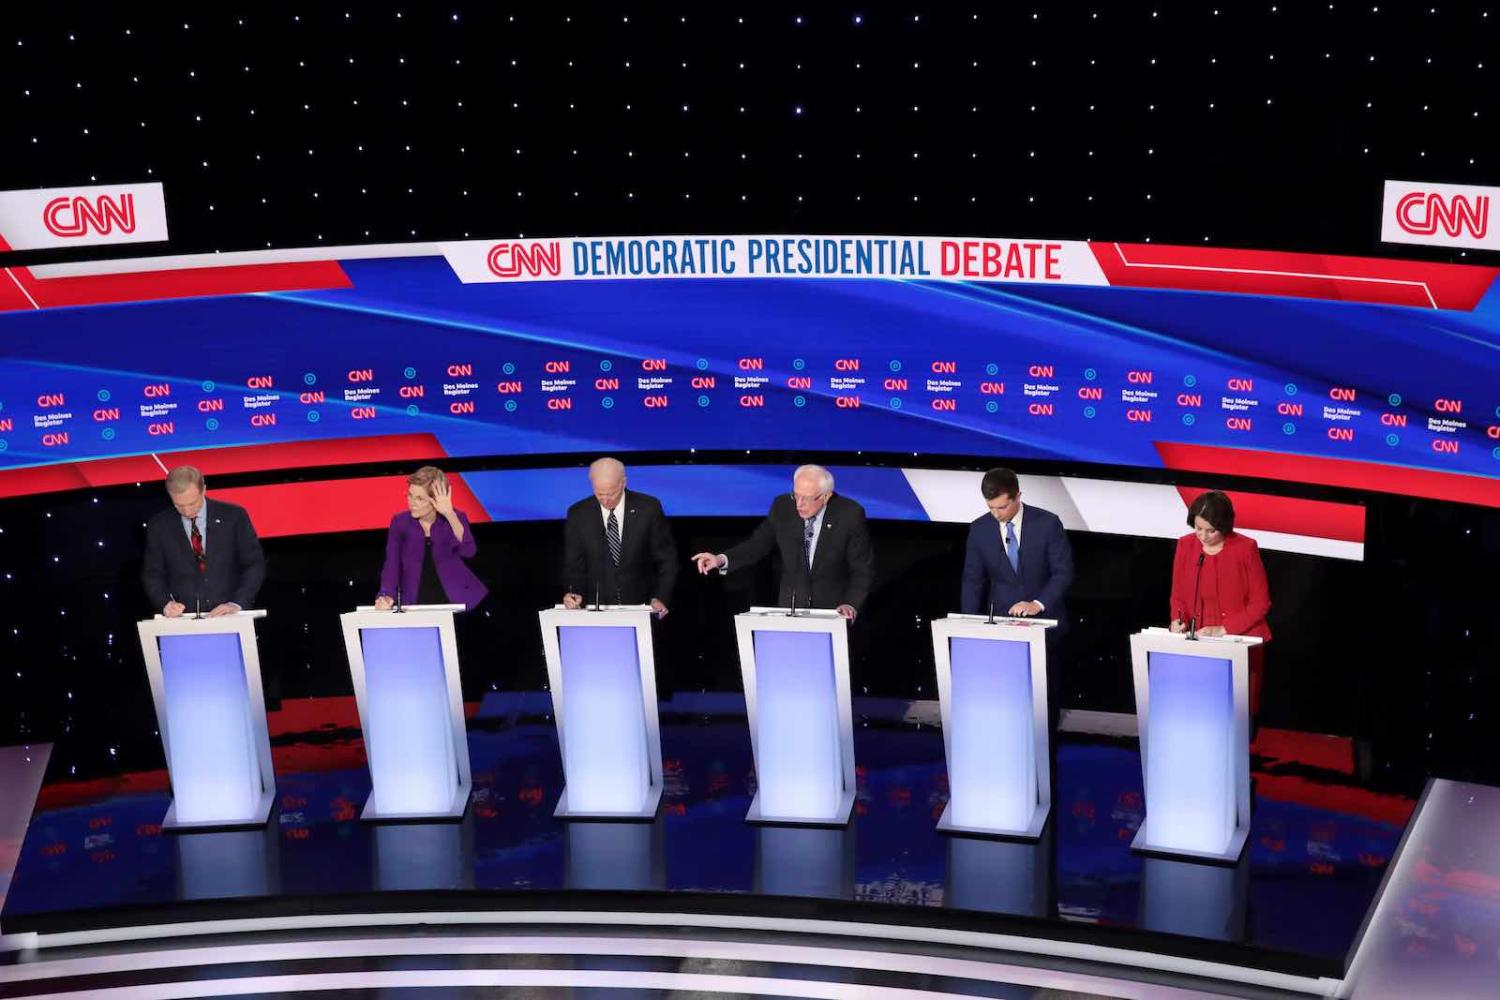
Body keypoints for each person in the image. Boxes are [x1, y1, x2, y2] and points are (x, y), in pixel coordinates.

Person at [692, 464, 873, 620]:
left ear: (825, 496)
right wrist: (721, 559)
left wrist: (851, 604)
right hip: (791, 610)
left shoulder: (850, 514)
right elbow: (757, 544)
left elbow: (862, 569)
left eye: (807, 498)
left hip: (833, 612)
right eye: (796, 495)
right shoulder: (782, 507)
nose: (798, 504)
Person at [1169, 490, 1271, 711]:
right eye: (1198, 528)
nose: (1203, 536)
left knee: (1233, 709)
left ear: (1225, 527)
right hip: (1198, 639)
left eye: (1211, 531)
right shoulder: (1186, 546)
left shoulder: (1245, 548)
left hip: (1239, 637)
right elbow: (1178, 595)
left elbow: (1261, 603)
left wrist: (1224, 629)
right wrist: (1177, 620)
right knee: (1197, 706)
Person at [142, 465, 265, 617]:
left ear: (204, 490)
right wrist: (165, 603)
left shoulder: (234, 516)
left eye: (192, 503)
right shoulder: (159, 526)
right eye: (179, 505)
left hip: (231, 618)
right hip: (182, 621)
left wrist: (237, 603)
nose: (187, 511)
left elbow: (254, 564)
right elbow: (153, 574)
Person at [561, 457, 678, 616]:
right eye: (599, 494)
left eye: (611, 493)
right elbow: (574, 567)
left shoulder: (649, 508)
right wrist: (573, 593)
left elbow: (667, 561)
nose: (605, 500)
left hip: (642, 608)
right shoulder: (578, 514)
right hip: (596, 613)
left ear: (623, 483)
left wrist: (660, 597)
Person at [960, 467, 1074, 622]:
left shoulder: (1047, 524)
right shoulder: (980, 529)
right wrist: (968, 623)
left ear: (1018, 496)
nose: (996, 514)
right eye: (991, 507)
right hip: (1001, 622)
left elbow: (1063, 572)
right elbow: (972, 581)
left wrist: (1037, 604)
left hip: (1045, 620)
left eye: (1002, 507)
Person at [374, 466, 487, 610]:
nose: (412, 502)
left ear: (436, 500)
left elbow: (468, 551)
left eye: (420, 498)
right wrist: (386, 595)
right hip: (415, 600)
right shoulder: (400, 523)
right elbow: (392, 564)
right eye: (410, 495)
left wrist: (449, 514)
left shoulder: (455, 518)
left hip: (455, 600)